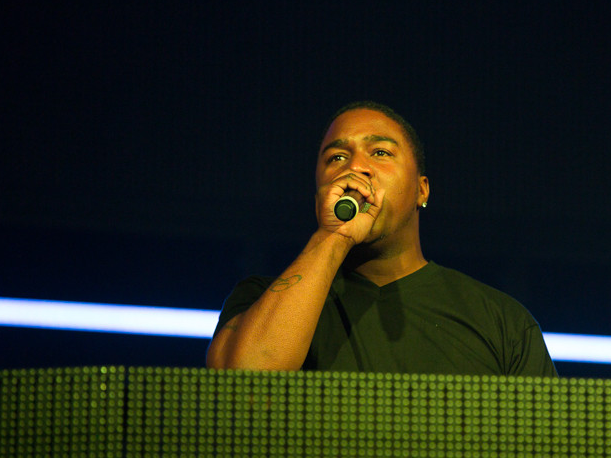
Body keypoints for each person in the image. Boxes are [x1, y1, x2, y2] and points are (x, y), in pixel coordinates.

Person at [206, 101, 557, 376]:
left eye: (380, 153)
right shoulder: (261, 301)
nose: (355, 168)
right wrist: (334, 236)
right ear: (318, 198)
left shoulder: (501, 321)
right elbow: (243, 390)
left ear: (421, 190)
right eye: (337, 157)